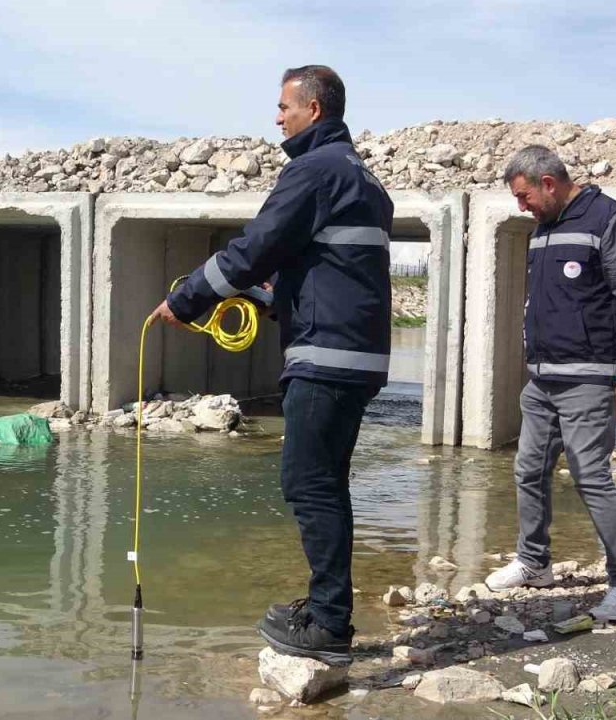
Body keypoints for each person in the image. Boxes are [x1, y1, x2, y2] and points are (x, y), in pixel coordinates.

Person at [149, 65, 392, 666]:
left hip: (325, 359)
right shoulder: (362, 179)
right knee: (325, 483)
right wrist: (265, 296)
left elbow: (255, 246)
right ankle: (324, 605)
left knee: (308, 484)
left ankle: (331, 624)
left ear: (314, 109)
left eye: (284, 106)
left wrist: (185, 300)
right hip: (351, 355)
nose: (276, 117)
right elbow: (319, 274)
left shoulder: (314, 170)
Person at [484, 145, 616, 622]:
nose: (521, 206)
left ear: (549, 182)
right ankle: (534, 562)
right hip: (542, 379)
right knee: (527, 470)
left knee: (591, 477)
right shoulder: (544, 227)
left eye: (524, 196)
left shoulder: (610, 220)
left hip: (588, 377)